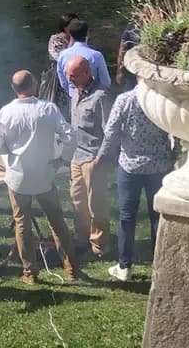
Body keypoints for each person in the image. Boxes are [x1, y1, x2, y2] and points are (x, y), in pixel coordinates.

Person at [0, 70, 81, 284]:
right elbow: (71, 136)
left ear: (14, 89)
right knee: (57, 221)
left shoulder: (6, 111)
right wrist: (62, 159)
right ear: (33, 86)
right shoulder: (48, 109)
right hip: (44, 175)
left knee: (22, 224)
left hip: (18, 176)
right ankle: (71, 268)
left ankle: (30, 273)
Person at [95, 88, 175, 281]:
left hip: (130, 166)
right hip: (159, 166)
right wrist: (174, 154)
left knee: (127, 216)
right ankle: (160, 265)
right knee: (158, 216)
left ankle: (124, 266)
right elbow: (176, 129)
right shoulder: (164, 98)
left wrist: (102, 156)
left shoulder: (125, 99)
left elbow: (111, 130)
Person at [66, 56, 114, 258]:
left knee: (96, 204)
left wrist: (100, 158)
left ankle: (100, 246)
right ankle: (82, 239)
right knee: (78, 201)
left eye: (73, 75)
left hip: (93, 158)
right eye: (68, 75)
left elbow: (110, 131)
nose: (69, 79)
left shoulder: (101, 96)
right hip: (77, 156)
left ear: (87, 73)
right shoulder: (75, 93)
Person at [57, 18, 111, 96]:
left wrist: (72, 93)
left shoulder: (62, 55)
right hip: (94, 98)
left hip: (73, 97)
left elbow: (63, 83)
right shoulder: (96, 55)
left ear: (71, 35)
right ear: (87, 34)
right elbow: (105, 82)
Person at [39, 12, 79, 116]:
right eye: (74, 25)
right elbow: (62, 58)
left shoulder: (79, 39)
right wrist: (73, 39)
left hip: (76, 76)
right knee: (56, 108)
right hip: (57, 78)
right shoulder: (55, 39)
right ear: (65, 27)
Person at [114, 21, 140, 91]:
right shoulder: (131, 27)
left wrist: (119, 71)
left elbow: (122, 49)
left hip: (133, 67)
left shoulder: (132, 26)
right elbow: (123, 48)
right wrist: (119, 71)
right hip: (138, 69)